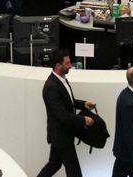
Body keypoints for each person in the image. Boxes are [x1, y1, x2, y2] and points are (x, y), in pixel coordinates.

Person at [38, 49, 96, 177]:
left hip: (62, 134)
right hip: (61, 137)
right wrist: (84, 120)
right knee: (74, 172)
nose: (70, 65)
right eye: (67, 63)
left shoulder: (61, 80)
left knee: (54, 164)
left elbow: (69, 101)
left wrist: (84, 104)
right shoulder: (51, 87)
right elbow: (62, 115)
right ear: (58, 66)